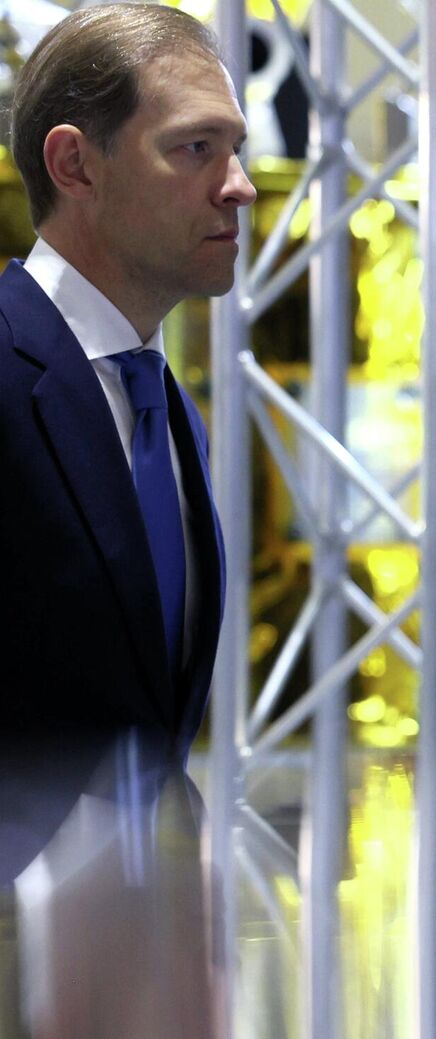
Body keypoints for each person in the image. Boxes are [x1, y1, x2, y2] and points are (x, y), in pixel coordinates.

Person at [0, 3, 255, 754]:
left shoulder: (164, 405)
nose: (239, 186)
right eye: (196, 147)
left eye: (235, 149)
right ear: (75, 165)